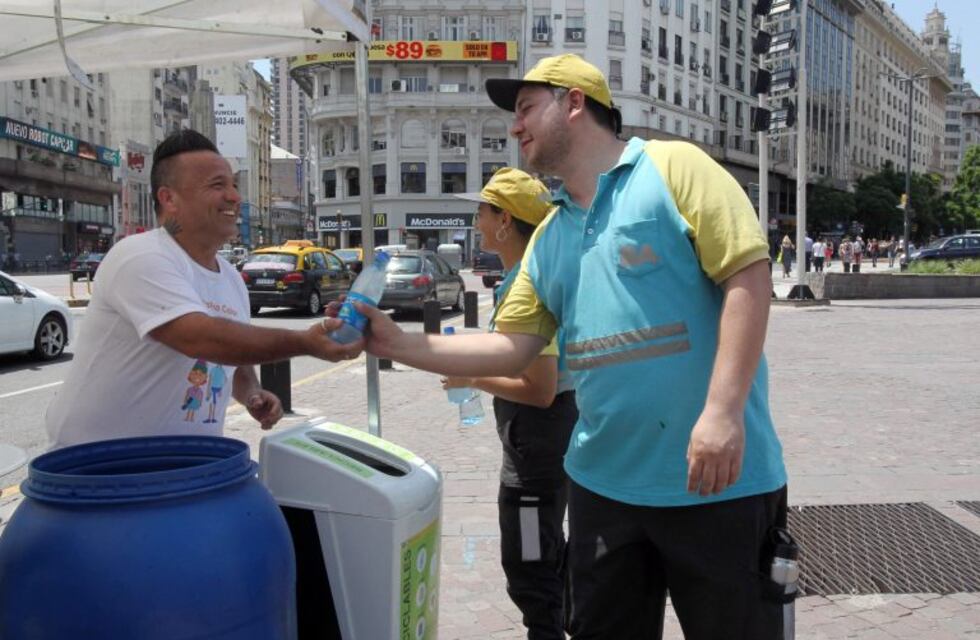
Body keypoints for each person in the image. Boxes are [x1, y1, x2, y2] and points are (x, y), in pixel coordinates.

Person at [355, 54, 788, 639]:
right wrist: (397, 342)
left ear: (575, 103)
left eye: (528, 108)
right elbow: (511, 348)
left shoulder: (674, 167)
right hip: (602, 492)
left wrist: (722, 411)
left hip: (716, 481)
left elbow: (748, 274)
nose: (515, 126)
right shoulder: (552, 236)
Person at [45, 130, 362, 449]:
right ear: (169, 199)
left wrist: (251, 391)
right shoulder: (140, 255)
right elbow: (199, 337)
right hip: (98, 469)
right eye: (217, 185)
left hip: (189, 468)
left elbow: (234, 356)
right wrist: (305, 341)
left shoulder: (230, 276)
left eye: (233, 185)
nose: (234, 197)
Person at [447, 168, 577, 639]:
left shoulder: (529, 284)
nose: (476, 221)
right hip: (544, 445)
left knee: (529, 562)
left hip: (537, 452)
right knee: (546, 552)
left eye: (481, 211)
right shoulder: (528, 275)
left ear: (504, 219)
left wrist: (473, 376)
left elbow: (541, 389)